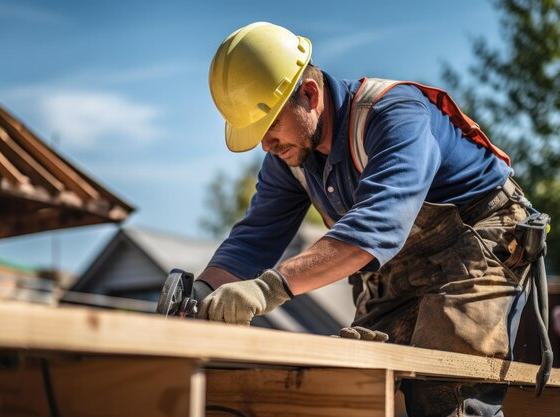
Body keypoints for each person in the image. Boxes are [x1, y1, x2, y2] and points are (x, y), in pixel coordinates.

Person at [192, 22, 543, 417]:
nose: (265, 144)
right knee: (358, 380)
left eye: (269, 124)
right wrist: (202, 291)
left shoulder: (394, 113)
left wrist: (268, 289)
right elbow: (254, 238)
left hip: (480, 241)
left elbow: (376, 225)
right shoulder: (289, 157)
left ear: (309, 94)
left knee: (445, 391)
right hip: (404, 261)